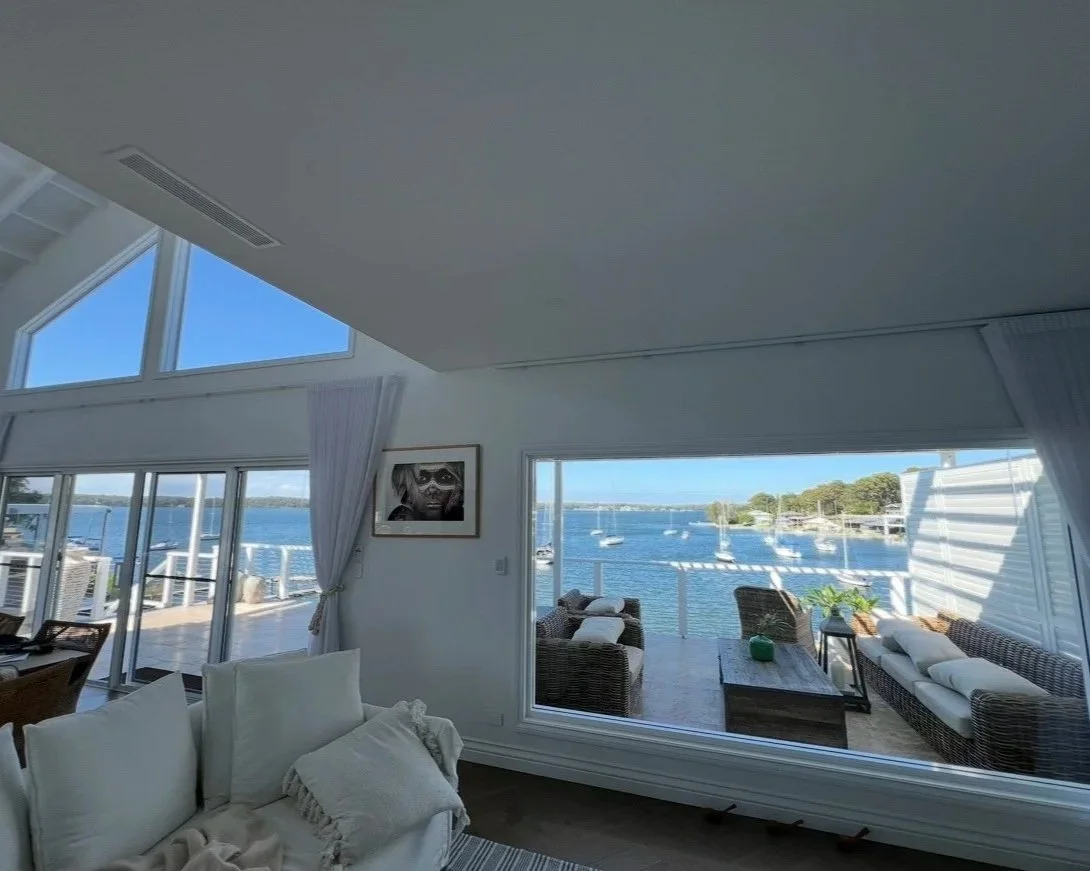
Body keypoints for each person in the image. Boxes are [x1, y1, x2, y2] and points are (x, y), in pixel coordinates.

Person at [387, 462, 465, 521]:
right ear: (406, 488)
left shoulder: (464, 517)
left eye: (445, 478)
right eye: (421, 479)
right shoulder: (397, 521)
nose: (432, 490)